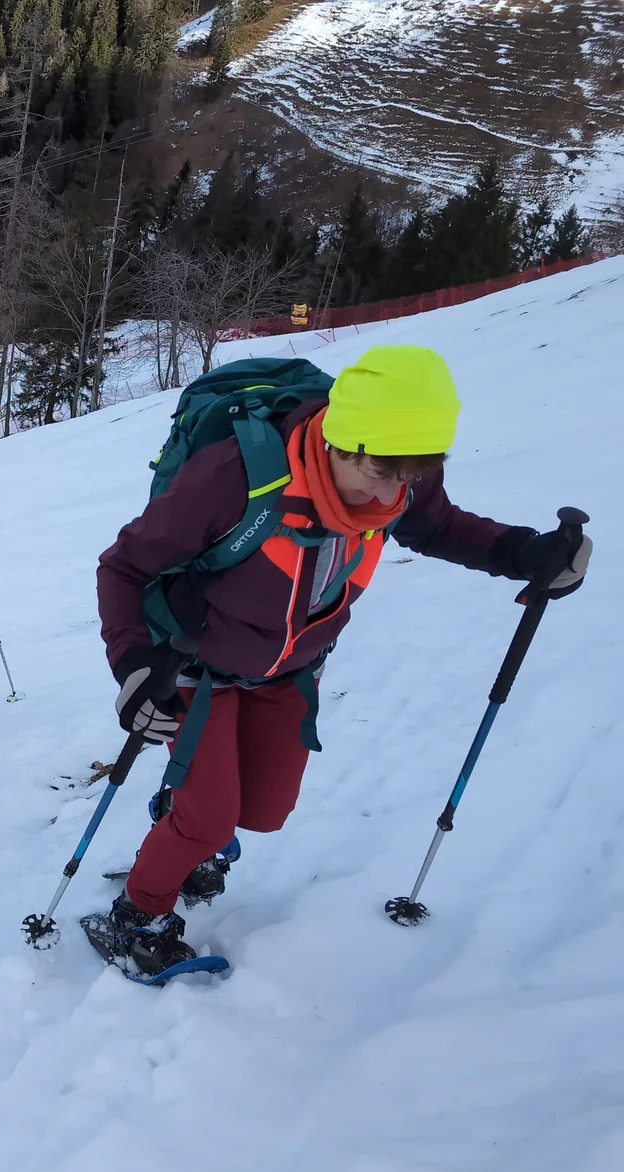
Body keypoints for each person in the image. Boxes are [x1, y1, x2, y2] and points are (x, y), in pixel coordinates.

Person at [92, 344, 593, 977]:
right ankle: (139, 912)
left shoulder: (400, 470)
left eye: (413, 474)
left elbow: (439, 527)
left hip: (293, 666)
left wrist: (524, 552)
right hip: (196, 662)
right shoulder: (236, 475)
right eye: (384, 472)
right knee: (211, 817)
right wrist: (133, 662)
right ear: (339, 438)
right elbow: (125, 566)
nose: (394, 492)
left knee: (264, 811)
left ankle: (187, 822)